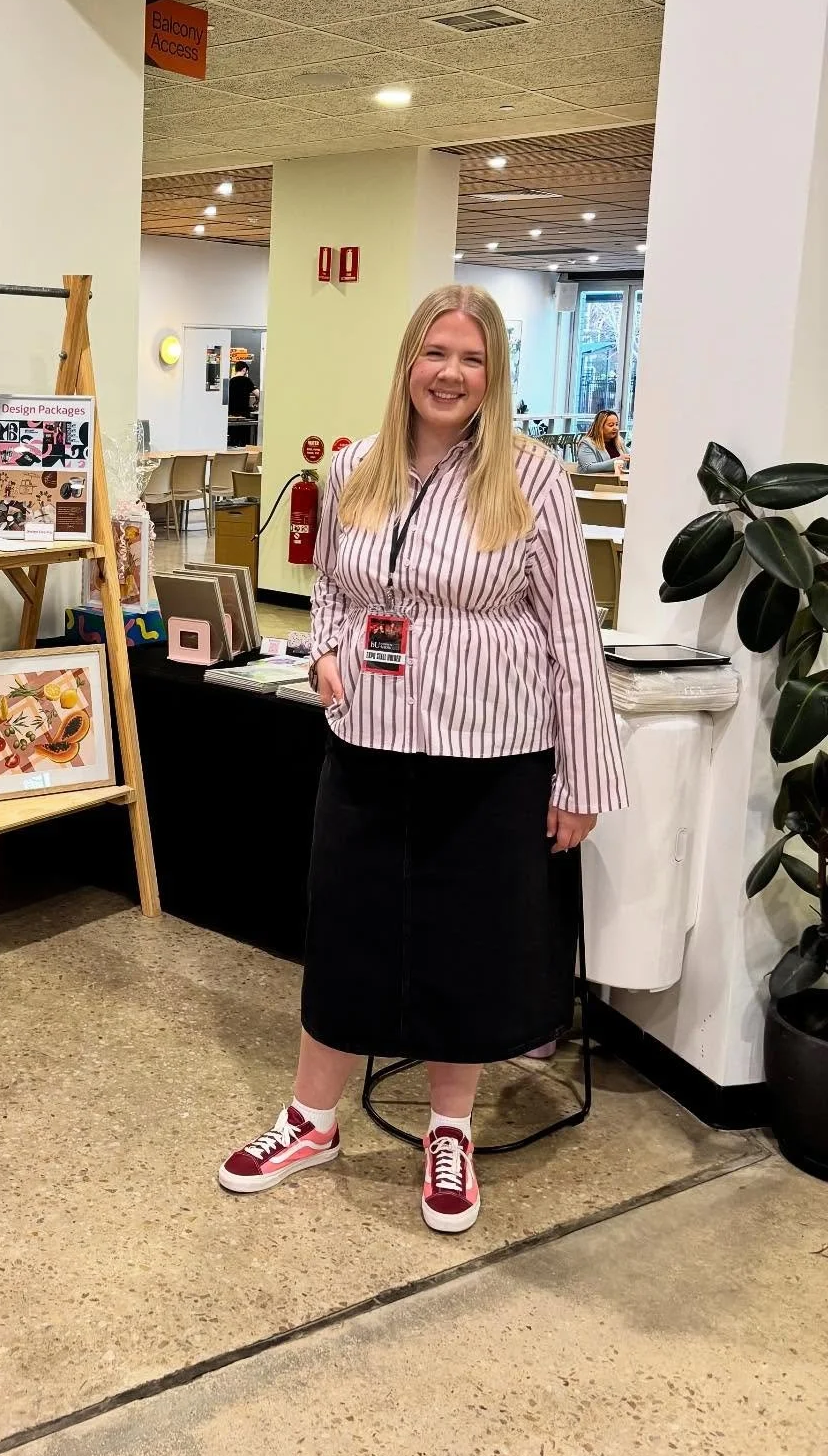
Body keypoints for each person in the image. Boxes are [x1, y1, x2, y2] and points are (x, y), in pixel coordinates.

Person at [219, 284, 626, 1233]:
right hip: (367, 742)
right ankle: (309, 1118)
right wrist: (323, 647)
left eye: (472, 359)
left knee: (466, 945)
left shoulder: (534, 480)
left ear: (494, 377)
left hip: (491, 752)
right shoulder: (358, 465)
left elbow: (573, 629)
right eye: (436, 353)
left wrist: (583, 777)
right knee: (345, 928)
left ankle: (451, 1130)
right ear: (408, 362)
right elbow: (328, 582)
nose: (450, 373)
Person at [576, 410, 629, 475]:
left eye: (617, 424)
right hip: (597, 483)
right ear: (600, 427)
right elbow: (588, 468)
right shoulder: (587, 443)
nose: (615, 428)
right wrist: (616, 461)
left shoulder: (619, 441)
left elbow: (628, 461)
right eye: (611, 425)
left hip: (620, 482)